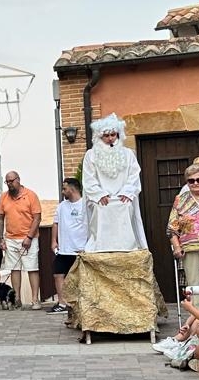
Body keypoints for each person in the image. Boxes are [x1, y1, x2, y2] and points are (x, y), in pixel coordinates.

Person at [81, 114, 146, 253]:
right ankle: (101, 247)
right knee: (100, 209)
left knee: (126, 206)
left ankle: (127, 247)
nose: (110, 138)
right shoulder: (91, 155)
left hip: (123, 197)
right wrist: (99, 194)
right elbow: (89, 178)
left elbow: (134, 174)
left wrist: (127, 192)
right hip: (101, 199)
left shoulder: (128, 154)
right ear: (100, 136)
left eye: (113, 135)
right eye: (106, 135)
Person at [0, 169, 45, 308]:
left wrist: (29, 237)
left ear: (18, 180)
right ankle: (16, 298)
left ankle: (35, 299)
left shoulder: (31, 195)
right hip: (10, 238)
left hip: (29, 238)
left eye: (11, 181)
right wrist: (1, 238)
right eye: (7, 182)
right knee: (14, 268)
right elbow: (0, 218)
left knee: (32, 268)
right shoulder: (4, 197)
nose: (9, 184)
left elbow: (37, 218)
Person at [51, 178, 90, 314]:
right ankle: (62, 303)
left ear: (72, 189)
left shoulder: (85, 205)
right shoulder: (62, 206)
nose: (63, 191)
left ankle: (81, 304)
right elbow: (55, 223)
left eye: (64, 189)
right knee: (58, 273)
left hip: (79, 249)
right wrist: (53, 241)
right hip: (64, 250)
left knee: (80, 277)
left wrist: (88, 246)